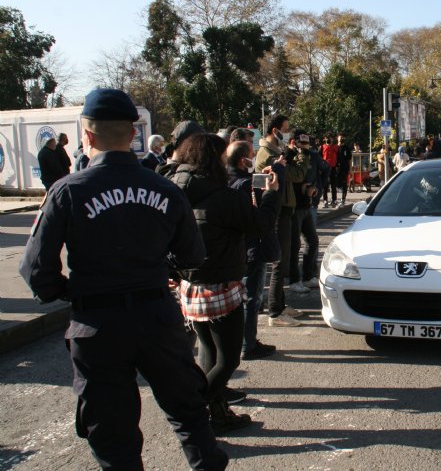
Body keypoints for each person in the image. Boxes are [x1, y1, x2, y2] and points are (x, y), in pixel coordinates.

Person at [19, 88, 227, 469]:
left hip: (97, 323)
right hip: (157, 317)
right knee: (190, 416)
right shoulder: (165, 188)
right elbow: (193, 256)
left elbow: (36, 272)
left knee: (113, 436)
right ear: (133, 135)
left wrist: (73, 291)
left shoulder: (68, 191)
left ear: (87, 136)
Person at [169, 132, 271, 432]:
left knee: (208, 352)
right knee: (227, 360)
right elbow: (260, 226)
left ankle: (218, 413)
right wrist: (273, 194)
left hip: (191, 284)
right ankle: (192, 414)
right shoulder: (222, 196)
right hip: (220, 284)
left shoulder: (176, 189)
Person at [226, 140, 280, 361]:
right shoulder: (244, 186)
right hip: (252, 248)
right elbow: (262, 220)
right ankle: (248, 344)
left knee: (241, 298)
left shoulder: (225, 181)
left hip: (235, 250)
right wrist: (272, 192)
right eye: (252, 154)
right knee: (252, 298)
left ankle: (244, 341)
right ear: (242, 160)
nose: (254, 157)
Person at [255, 115, 309, 327]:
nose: (287, 133)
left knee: (286, 258)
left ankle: (280, 304)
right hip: (276, 211)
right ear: (275, 130)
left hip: (285, 209)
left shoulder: (277, 152)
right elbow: (294, 175)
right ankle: (275, 313)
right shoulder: (266, 154)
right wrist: (300, 154)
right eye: (285, 129)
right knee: (279, 261)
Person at [288, 131, 321, 294]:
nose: (305, 147)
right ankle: (294, 280)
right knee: (294, 245)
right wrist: (301, 187)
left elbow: (317, 173)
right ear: (294, 142)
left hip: (307, 204)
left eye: (308, 143)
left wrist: (313, 188)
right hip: (293, 206)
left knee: (313, 241)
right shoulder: (288, 155)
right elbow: (290, 178)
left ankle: (308, 276)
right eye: (302, 143)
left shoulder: (311, 156)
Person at [321, 135, 338, 207]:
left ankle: (334, 200)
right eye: (327, 138)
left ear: (333, 139)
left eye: (330, 138)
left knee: (333, 185)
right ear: (325, 139)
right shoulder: (322, 147)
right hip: (325, 168)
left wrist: (338, 166)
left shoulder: (336, 147)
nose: (329, 140)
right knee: (325, 185)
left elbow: (339, 157)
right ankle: (325, 200)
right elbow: (319, 157)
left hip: (333, 167)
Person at [336, 134, 352, 207]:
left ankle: (343, 199)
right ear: (337, 139)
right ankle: (334, 199)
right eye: (340, 138)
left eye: (342, 137)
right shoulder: (335, 147)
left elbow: (349, 159)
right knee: (336, 184)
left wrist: (350, 169)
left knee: (344, 184)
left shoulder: (346, 148)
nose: (341, 139)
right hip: (336, 168)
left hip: (345, 168)